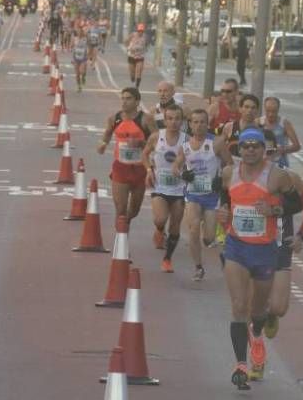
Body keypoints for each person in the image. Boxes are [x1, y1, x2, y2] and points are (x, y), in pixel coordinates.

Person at [216, 128, 296, 388]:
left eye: (255, 146)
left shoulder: (276, 176)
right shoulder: (229, 173)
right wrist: (223, 212)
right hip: (236, 247)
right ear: (239, 149)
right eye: (246, 145)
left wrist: (274, 209)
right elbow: (224, 196)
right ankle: (240, 364)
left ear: (263, 149)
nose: (250, 150)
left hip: (264, 251)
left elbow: (298, 204)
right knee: (239, 306)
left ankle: (258, 334)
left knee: (258, 310)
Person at [262, 128, 303, 341]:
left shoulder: (289, 178)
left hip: (280, 245)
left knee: (278, 307)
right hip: (251, 244)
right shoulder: (242, 176)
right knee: (251, 306)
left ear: (276, 153)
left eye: (270, 151)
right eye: (260, 150)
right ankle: (255, 353)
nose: (265, 156)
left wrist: (301, 236)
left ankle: (270, 316)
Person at [175, 108, 231, 282]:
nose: (199, 126)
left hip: (211, 196)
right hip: (193, 194)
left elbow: (229, 164)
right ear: (190, 124)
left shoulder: (217, 143)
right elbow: (175, 167)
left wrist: (221, 179)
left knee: (208, 238)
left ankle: (220, 252)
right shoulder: (185, 146)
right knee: (192, 230)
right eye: (195, 122)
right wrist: (183, 175)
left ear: (208, 124)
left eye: (202, 122)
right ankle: (198, 267)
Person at [97, 87, 156, 222]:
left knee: (134, 211)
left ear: (137, 102)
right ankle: (121, 237)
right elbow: (106, 134)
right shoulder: (114, 119)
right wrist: (102, 144)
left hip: (140, 168)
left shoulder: (146, 119)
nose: (124, 102)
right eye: (122, 98)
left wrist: (141, 143)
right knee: (120, 210)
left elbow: (158, 142)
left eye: (128, 99)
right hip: (120, 168)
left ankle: (125, 223)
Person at [143, 104, 188, 273]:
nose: (173, 122)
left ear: (182, 121)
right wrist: (148, 169)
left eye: (177, 119)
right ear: (165, 120)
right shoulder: (156, 137)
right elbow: (145, 154)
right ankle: (159, 230)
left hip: (179, 189)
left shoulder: (187, 140)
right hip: (160, 186)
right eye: (170, 118)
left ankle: (167, 259)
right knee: (160, 219)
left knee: (175, 225)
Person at [259, 96, 301, 167]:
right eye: (268, 111)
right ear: (264, 109)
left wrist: (281, 150)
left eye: (273, 111)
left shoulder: (284, 124)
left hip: (280, 164)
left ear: (278, 110)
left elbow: (297, 146)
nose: (270, 114)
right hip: (263, 164)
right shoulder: (259, 122)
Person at [223, 93, 261, 158]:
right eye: (246, 107)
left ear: (257, 111)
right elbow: (221, 148)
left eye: (253, 108)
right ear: (240, 109)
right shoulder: (229, 127)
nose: (249, 110)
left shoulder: (261, 130)